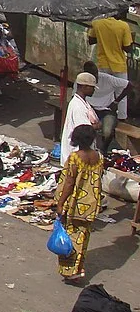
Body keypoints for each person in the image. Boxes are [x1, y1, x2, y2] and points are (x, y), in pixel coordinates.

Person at [54, 123, 104, 283]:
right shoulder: (98, 157)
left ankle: (70, 271)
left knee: (70, 238)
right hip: (90, 204)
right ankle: (78, 269)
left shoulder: (75, 158)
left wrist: (60, 203)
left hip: (75, 205)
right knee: (83, 238)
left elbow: (69, 183)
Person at [61, 72, 101, 166]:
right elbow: (84, 130)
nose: (94, 90)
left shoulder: (83, 102)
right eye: (92, 87)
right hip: (77, 155)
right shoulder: (78, 106)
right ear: (84, 87)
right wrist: (98, 125)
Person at [88, 14, 134, 80]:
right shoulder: (124, 26)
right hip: (119, 66)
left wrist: (102, 37)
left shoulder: (97, 23)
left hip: (103, 64)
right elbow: (127, 48)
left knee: (104, 89)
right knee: (122, 88)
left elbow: (91, 41)